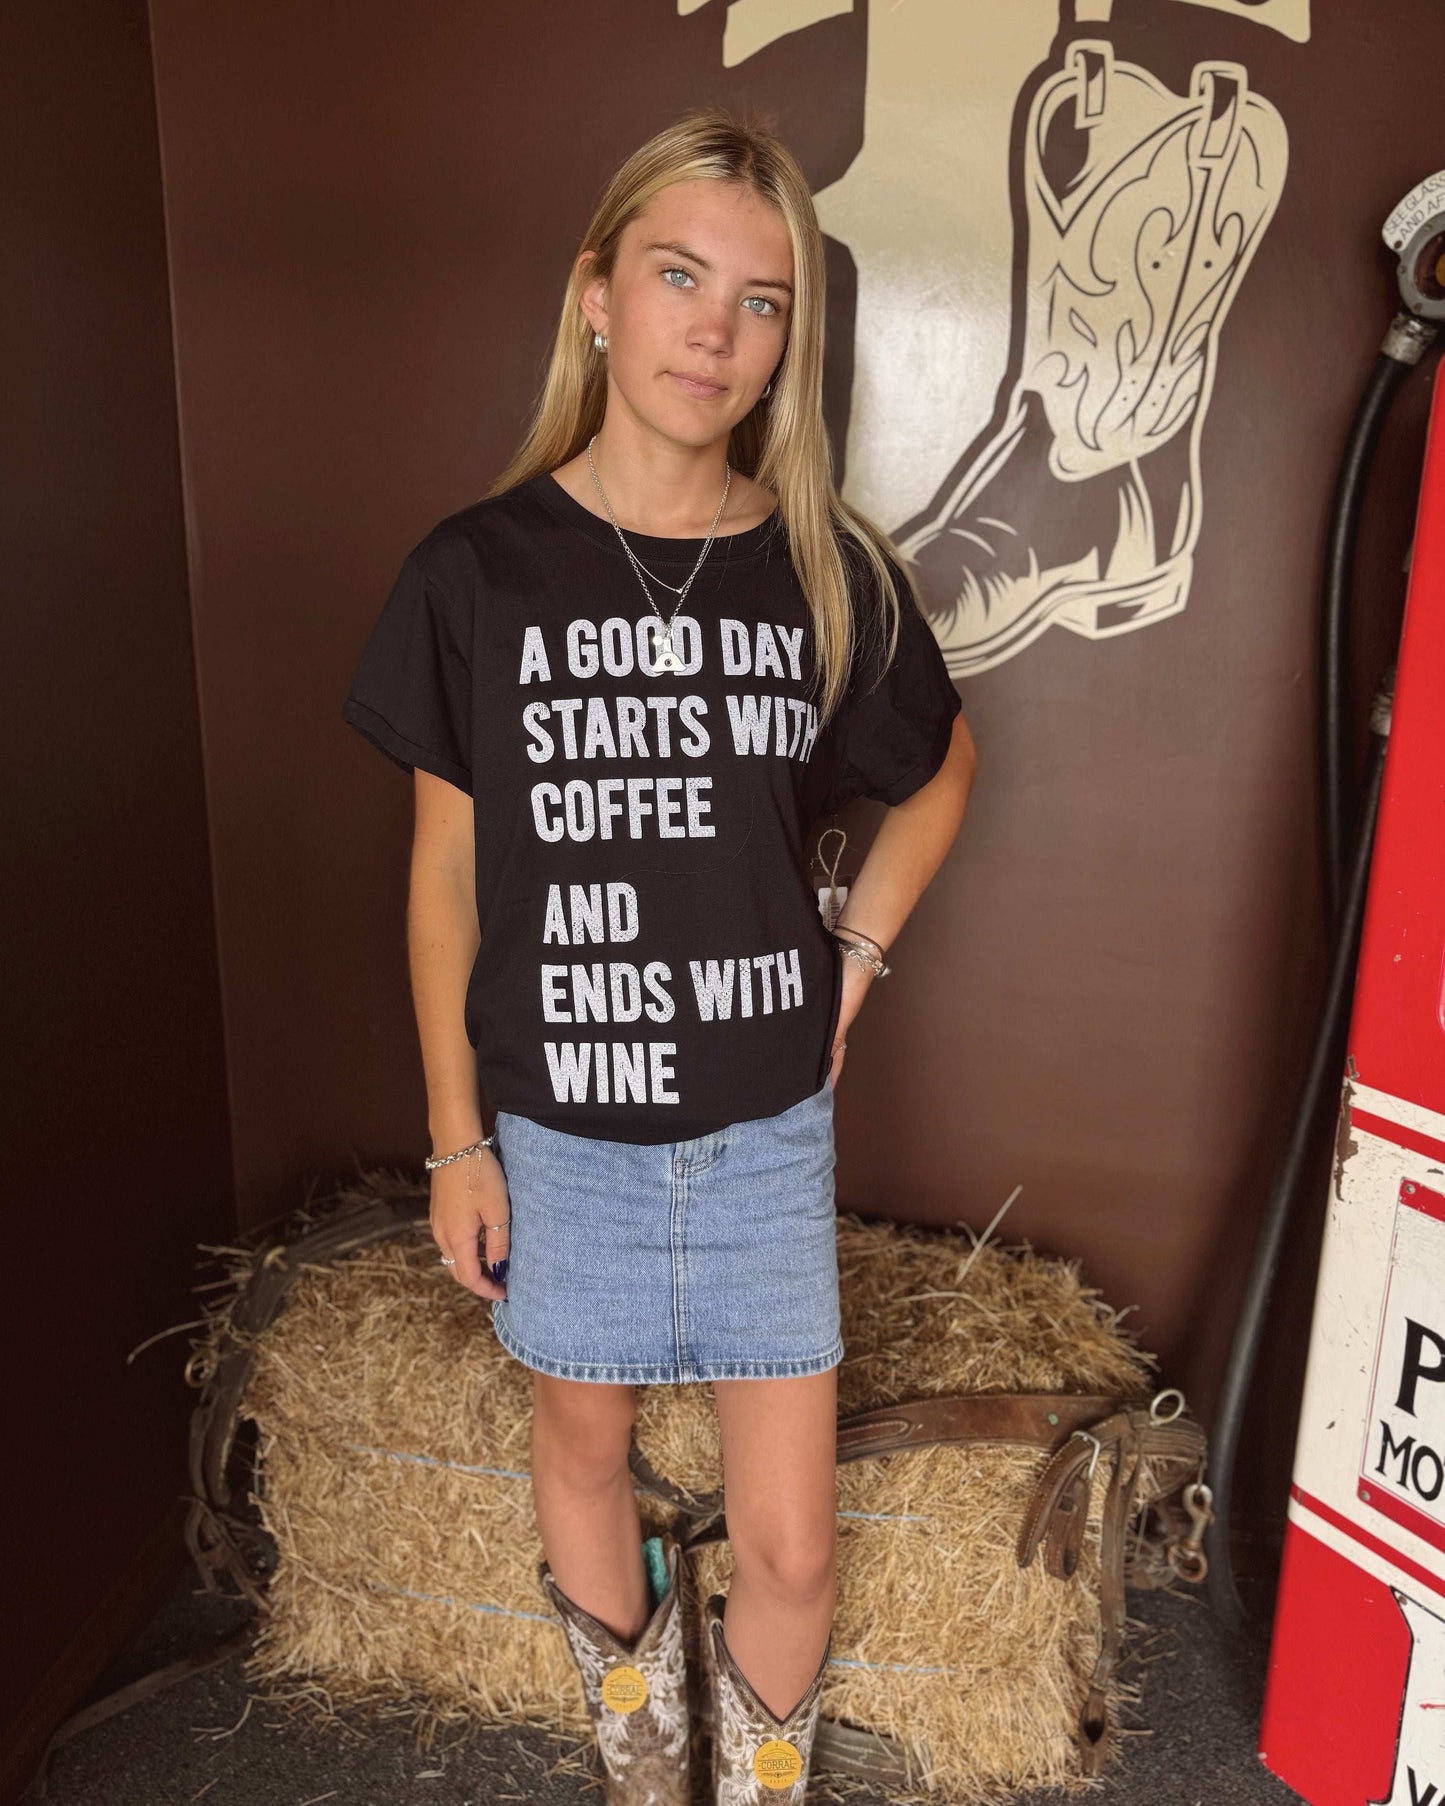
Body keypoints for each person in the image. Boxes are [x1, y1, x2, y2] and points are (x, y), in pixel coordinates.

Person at [342, 105, 976, 1806]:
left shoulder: (824, 572)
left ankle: (752, 1787)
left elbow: (941, 768)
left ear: (784, 348)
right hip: (560, 1135)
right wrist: (455, 1140)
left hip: (766, 1127)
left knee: (785, 1544)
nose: (716, 327)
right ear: (598, 296)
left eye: (761, 301)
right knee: (583, 1450)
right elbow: (443, 885)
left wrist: (857, 948)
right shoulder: (474, 575)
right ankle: (642, 1770)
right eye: (680, 275)